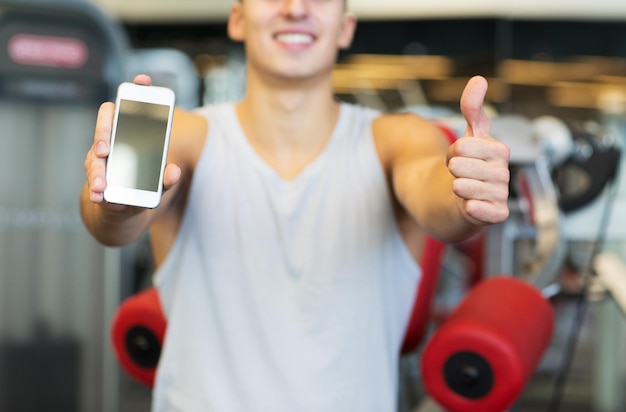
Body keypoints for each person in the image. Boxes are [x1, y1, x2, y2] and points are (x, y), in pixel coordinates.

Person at [81, 0, 510, 410]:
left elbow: (435, 195)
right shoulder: (188, 135)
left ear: (345, 28)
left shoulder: (399, 139)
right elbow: (111, 227)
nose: (295, 7)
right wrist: (116, 203)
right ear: (237, 20)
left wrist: (466, 191)